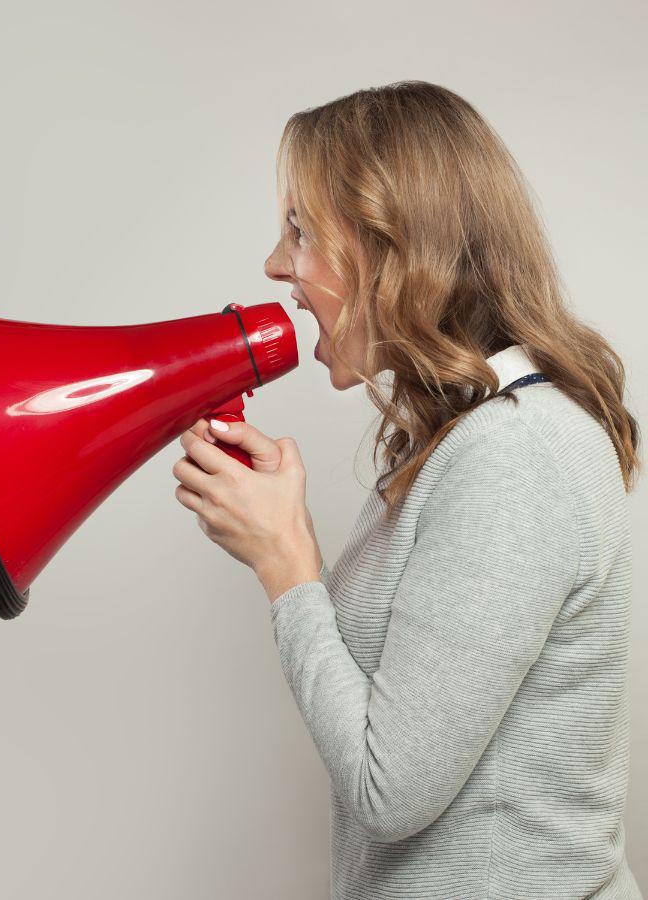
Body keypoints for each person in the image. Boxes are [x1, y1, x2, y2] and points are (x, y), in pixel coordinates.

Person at [171, 81, 641, 898]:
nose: (276, 265)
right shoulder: (463, 437)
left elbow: (390, 791)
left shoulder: (515, 454)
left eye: (300, 230)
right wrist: (295, 549)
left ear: (391, 247)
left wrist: (286, 565)